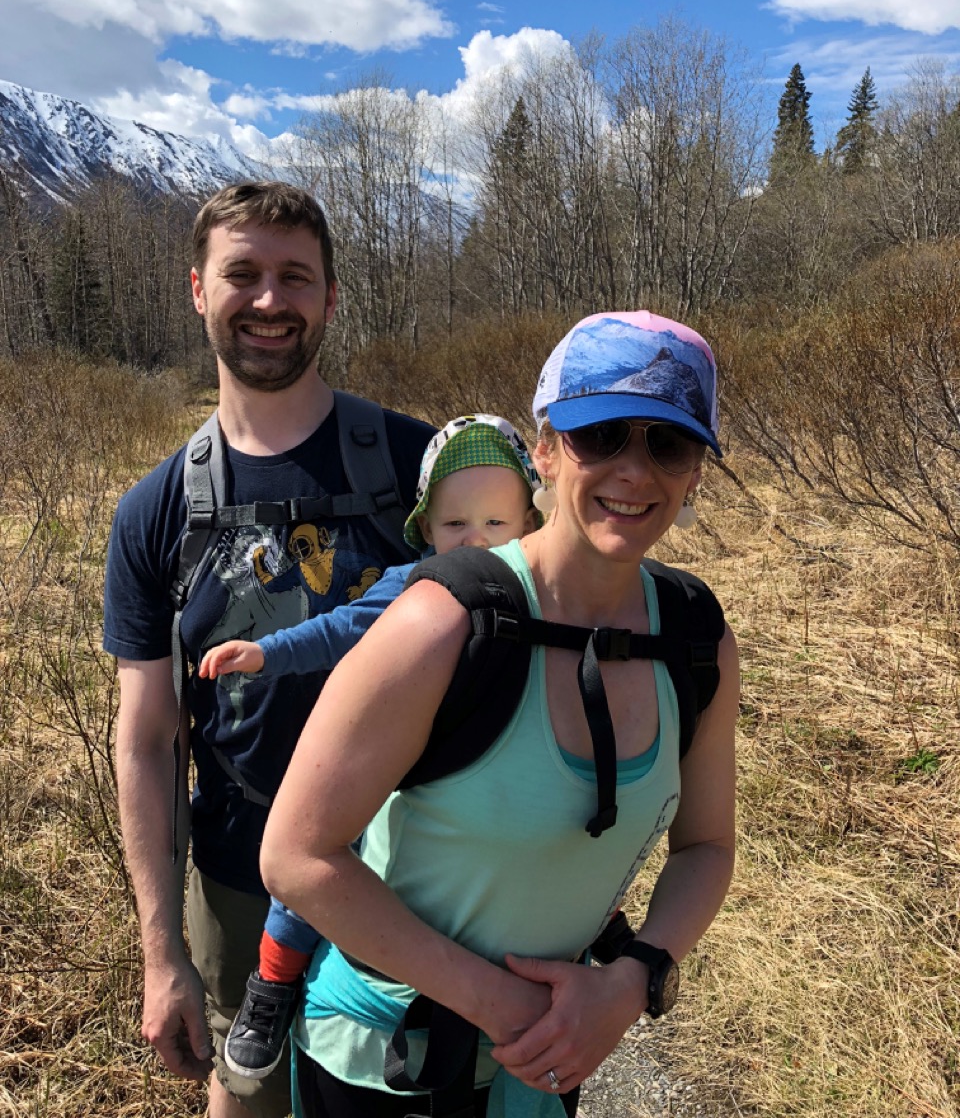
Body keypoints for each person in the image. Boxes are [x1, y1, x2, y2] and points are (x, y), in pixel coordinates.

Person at [261, 310, 740, 1118]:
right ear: (546, 450)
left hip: (542, 1065)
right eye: (603, 435)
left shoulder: (695, 642)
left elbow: (707, 845)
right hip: (386, 1066)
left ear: (695, 473)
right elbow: (297, 856)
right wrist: (501, 1005)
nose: (634, 470)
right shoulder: (443, 623)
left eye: (669, 443)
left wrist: (630, 982)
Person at [103, 181, 435, 1118]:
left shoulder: (419, 471)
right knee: (246, 1097)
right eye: (242, 273)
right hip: (240, 883)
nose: (269, 300)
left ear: (330, 297)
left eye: (296, 277)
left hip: (416, 875)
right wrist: (161, 952)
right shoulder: (156, 513)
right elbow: (147, 739)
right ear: (198, 291)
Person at [196, 415, 542, 1082]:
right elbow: (337, 629)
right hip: (400, 770)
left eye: (496, 525)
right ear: (425, 531)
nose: (475, 541)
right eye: (454, 526)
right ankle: (272, 982)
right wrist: (265, 653)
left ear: (529, 523)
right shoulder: (415, 585)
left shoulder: (547, 598)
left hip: (493, 776)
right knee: (322, 854)